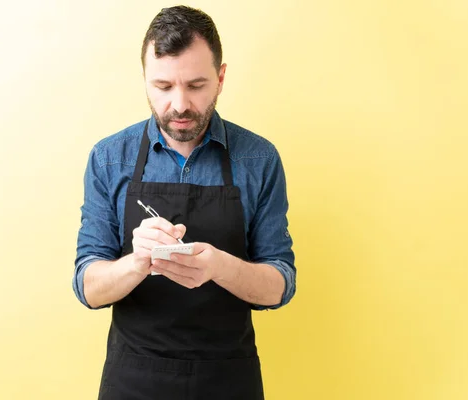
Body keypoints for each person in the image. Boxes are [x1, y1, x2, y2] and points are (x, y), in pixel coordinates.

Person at [73, 5, 296, 399]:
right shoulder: (110, 158)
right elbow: (88, 288)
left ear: (221, 78)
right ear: (144, 79)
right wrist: (140, 261)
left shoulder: (258, 159)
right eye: (163, 87)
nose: (179, 105)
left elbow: (279, 285)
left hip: (228, 379)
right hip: (135, 378)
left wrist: (219, 265)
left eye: (196, 85)